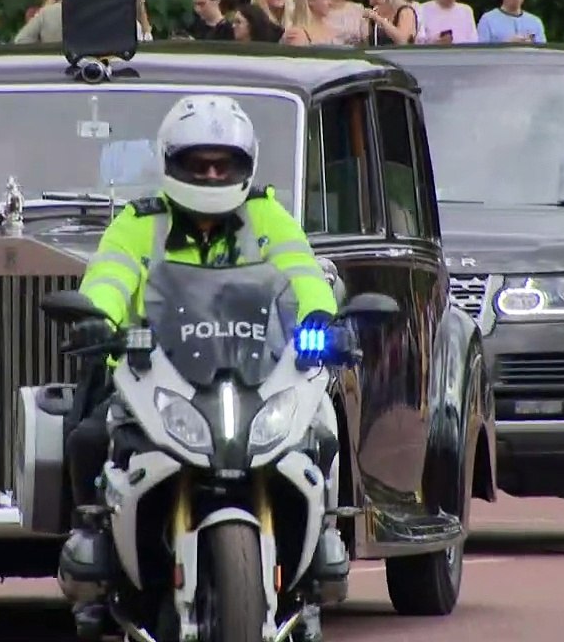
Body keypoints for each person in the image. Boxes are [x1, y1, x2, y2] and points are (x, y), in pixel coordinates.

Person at [58, 94, 348, 628]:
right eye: (198, 164)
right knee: (88, 435)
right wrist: (98, 317)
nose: (212, 174)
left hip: (252, 373)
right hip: (157, 372)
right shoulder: (140, 221)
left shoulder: (264, 214)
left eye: (224, 164)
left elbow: (303, 271)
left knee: (323, 432)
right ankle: (96, 550)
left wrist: (320, 319)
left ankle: (316, 559)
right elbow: (109, 276)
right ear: (172, 164)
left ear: (245, 165)